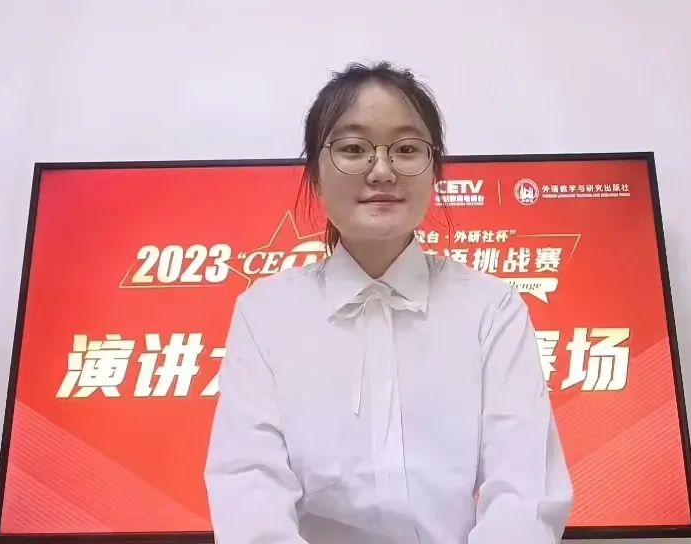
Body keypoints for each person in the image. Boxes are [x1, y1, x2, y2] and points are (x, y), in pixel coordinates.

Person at [205, 61, 573, 544]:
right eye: (354, 149)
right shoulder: (266, 314)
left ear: (434, 171)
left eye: (406, 149)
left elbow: (523, 493)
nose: (382, 171)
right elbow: (249, 489)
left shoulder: (491, 309)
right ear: (314, 175)